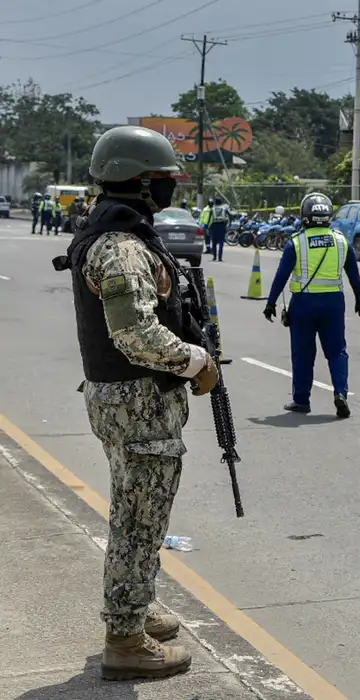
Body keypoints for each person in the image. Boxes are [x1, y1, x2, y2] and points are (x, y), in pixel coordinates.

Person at [57, 125, 219, 681]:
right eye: (165, 179)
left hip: (124, 401)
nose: (171, 187)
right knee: (138, 520)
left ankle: (136, 604)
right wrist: (197, 362)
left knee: (140, 513)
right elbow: (136, 336)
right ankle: (125, 638)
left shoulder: (108, 234)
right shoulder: (123, 248)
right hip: (138, 403)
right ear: (143, 182)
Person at [263, 192, 360, 417]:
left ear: (304, 215)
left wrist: (271, 303)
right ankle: (340, 393)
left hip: (303, 304)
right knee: (337, 351)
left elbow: (281, 276)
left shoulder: (296, 243)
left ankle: (301, 400)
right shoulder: (342, 242)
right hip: (334, 304)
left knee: (303, 354)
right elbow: (354, 275)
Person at [209, 197, 230, 261]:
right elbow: (230, 215)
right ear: (221, 202)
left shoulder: (212, 209)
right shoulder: (224, 209)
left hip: (214, 226)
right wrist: (229, 224)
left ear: (215, 202)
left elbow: (209, 219)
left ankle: (214, 257)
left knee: (214, 242)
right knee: (221, 242)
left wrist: (208, 226)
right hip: (222, 226)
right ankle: (220, 257)